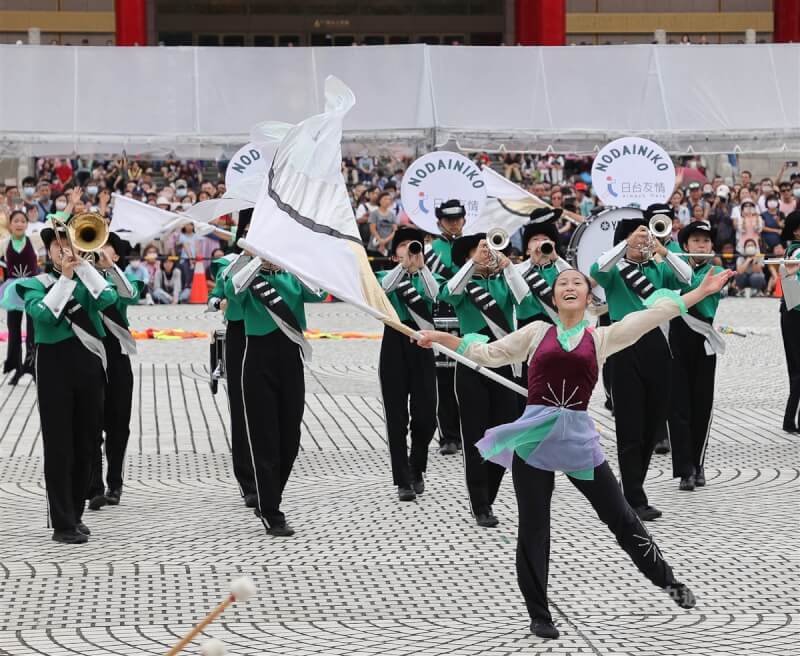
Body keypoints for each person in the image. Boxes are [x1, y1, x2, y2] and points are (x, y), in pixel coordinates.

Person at [418, 267, 731, 639]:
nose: (569, 286)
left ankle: (669, 582)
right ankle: (540, 615)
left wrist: (701, 291)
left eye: (577, 283)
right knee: (534, 530)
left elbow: (656, 314)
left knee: (623, 518)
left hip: (579, 445)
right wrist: (439, 337)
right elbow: (487, 353)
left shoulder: (601, 338)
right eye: (562, 283)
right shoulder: (536, 333)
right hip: (534, 444)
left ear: (588, 298)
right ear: (552, 298)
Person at [17, 219, 118, 544]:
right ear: (48, 252)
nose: (65, 251)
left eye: (69, 245)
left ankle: (74, 513)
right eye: (58, 247)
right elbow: (44, 314)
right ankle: (62, 522)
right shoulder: (35, 283)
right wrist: (65, 278)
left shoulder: (89, 280)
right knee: (60, 445)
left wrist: (86, 266)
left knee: (87, 441)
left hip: (88, 362)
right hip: (54, 364)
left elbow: (108, 299)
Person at [589, 205, 693, 521]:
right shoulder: (615, 272)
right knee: (630, 423)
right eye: (637, 235)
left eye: (643, 234)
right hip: (622, 343)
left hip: (655, 344)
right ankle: (633, 495)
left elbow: (686, 277)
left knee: (653, 420)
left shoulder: (657, 267)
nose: (642, 240)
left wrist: (661, 248)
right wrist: (626, 242)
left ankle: (632, 484)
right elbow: (596, 269)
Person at [228, 252, 326, 537]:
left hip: (290, 358)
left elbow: (318, 292)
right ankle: (271, 510)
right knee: (264, 437)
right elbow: (231, 289)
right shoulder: (247, 277)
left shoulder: (291, 278)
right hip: (257, 358)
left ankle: (269, 492)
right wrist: (257, 259)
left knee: (290, 439)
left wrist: (292, 260)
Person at [438, 232, 529, 527]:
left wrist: (508, 266)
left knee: (504, 436)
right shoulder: (465, 283)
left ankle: (488, 495)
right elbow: (448, 293)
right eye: (478, 252)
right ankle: (480, 505)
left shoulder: (503, 280)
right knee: (476, 436)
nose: (485, 255)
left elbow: (525, 300)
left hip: (503, 360)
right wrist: (472, 263)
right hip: (472, 363)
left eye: (487, 251)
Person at [377, 227, 440, 501]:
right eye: (403, 245)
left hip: (423, 343)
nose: (410, 250)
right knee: (396, 415)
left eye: (414, 245)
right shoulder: (385, 274)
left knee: (426, 415)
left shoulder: (430, 275)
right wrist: (403, 267)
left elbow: (435, 294)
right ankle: (402, 479)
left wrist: (421, 267)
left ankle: (417, 467)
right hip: (395, 340)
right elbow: (384, 289)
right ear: (394, 254)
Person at [668, 221, 726, 491]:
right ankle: (684, 470)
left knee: (702, 406)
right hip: (677, 342)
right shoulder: (671, 270)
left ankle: (699, 463)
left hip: (703, 342)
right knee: (678, 406)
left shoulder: (718, 271)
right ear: (685, 246)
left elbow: (702, 299)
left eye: (706, 241)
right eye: (696, 241)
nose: (701, 245)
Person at [87, 233, 143, 510]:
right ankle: (94, 485)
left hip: (118, 356)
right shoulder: (83, 276)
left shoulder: (121, 277)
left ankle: (115, 483)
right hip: (89, 354)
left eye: (105, 245)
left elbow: (129, 296)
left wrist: (110, 267)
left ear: (117, 255)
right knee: (90, 422)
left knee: (118, 424)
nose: (98, 248)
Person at [207, 209, 257, 507]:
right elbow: (214, 296)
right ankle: (247, 479)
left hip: (271, 335)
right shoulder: (228, 263)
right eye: (250, 227)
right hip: (239, 332)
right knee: (240, 405)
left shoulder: (280, 261)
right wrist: (219, 301)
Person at [424, 199, 468, 456]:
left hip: (468, 317)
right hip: (441, 317)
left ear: (464, 219)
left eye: (457, 219)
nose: (453, 223)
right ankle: (448, 436)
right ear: (439, 221)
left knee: (470, 376)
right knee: (444, 380)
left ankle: (469, 431)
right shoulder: (430, 251)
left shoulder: (472, 247)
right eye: (448, 219)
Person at [2, 210, 38, 385]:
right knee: (14, 329)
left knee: (33, 330)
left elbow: (53, 225)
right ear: (10, 225)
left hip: (31, 289)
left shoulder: (34, 240)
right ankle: (16, 367)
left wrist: (68, 206)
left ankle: (32, 366)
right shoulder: (5, 243)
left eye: (22, 221)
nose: (19, 224)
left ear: (27, 224)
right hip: (12, 291)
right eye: (15, 221)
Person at [779, 211, 800, 433]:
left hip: (793, 312)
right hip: (794, 315)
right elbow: (793, 297)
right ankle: (789, 420)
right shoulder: (795, 251)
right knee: (797, 370)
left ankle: (792, 420)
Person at [368, 191, 399, 257]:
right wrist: (380, 241)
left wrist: (385, 241)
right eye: (385, 199)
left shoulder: (392, 215)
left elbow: (395, 230)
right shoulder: (374, 213)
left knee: (387, 265)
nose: (387, 201)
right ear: (379, 200)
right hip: (375, 245)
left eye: (389, 199)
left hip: (388, 245)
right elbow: (372, 229)